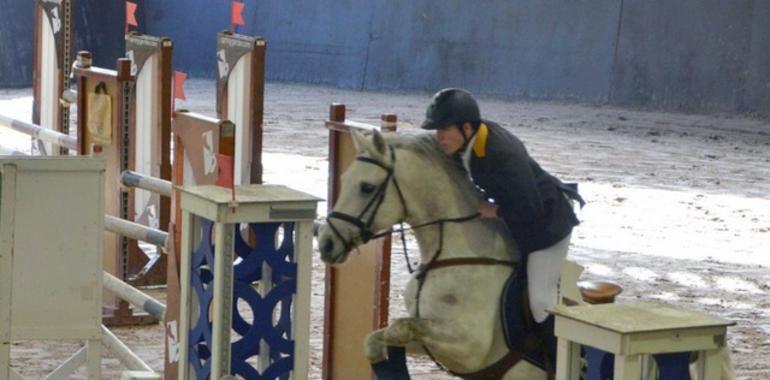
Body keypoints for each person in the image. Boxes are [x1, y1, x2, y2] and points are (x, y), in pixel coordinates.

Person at [421, 88, 584, 370]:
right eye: (437, 130)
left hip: (547, 228)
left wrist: (495, 210)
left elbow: (530, 208)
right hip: (522, 221)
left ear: (467, 127)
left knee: (539, 301)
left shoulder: (501, 153)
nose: (440, 138)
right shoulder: (470, 142)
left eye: (444, 129)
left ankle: (567, 368)